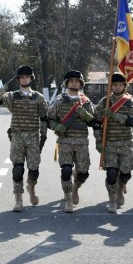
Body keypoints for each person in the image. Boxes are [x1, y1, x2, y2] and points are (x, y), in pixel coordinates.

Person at [0, 65, 48, 212]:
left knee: (34, 170)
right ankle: (18, 199)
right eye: (21, 77)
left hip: (33, 137)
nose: (24, 79)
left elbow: (44, 118)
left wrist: (43, 137)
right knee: (17, 169)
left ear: (31, 78)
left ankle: (31, 187)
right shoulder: (12, 96)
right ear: (18, 79)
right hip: (17, 136)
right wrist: (6, 86)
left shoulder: (38, 97)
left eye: (27, 77)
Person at [46, 70, 99, 213]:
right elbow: (49, 118)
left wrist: (86, 114)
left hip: (82, 142)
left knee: (83, 173)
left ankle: (76, 187)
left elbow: (94, 122)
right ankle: (68, 198)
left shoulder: (86, 101)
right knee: (66, 170)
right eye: (72, 81)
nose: (74, 83)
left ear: (81, 83)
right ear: (67, 83)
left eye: (77, 81)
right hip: (65, 141)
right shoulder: (59, 100)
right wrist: (56, 126)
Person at [93, 73, 133, 213]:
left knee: (126, 173)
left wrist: (113, 115)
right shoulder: (104, 102)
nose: (117, 87)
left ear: (125, 86)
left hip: (126, 143)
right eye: (114, 85)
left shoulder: (131, 101)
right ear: (110, 86)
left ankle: (121, 186)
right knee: (111, 173)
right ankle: (112, 199)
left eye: (120, 85)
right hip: (110, 143)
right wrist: (98, 141)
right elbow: (96, 123)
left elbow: (131, 122)